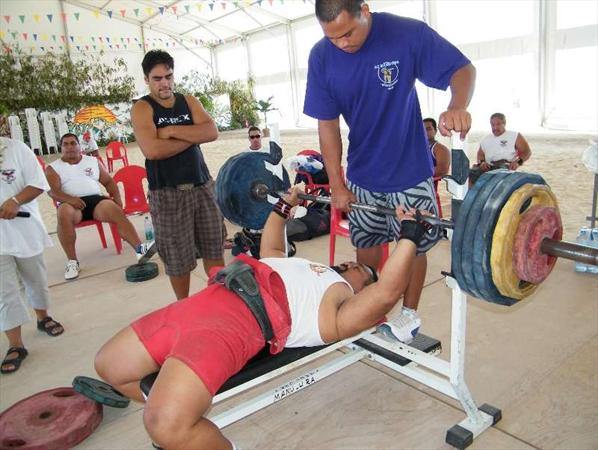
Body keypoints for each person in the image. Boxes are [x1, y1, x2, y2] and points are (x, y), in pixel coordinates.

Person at [94, 184, 433, 450]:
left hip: (231, 327)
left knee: (165, 424)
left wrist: (409, 235)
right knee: (110, 365)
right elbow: (272, 248)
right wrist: (287, 203)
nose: (349, 264)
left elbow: (388, 291)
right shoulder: (302, 267)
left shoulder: (339, 310)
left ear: (361, 292)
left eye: (361, 271)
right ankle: (187, 421)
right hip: (197, 305)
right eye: (350, 262)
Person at [303, 0, 476, 338]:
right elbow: (327, 125)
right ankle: (368, 304)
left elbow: (463, 69)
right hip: (363, 174)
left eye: (347, 33)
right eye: (332, 37)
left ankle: (409, 316)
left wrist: (457, 105)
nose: (342, 44)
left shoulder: (405, 34)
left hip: (409, 171)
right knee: (366, 244)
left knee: (412, 246)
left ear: (364, 10)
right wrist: (337, 184)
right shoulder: (321, 56)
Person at [130, 50, 224, 300]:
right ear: (147, 79)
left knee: (214, 248)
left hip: (202, 186)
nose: (164, 83)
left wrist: (171, 130)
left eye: (168, 76)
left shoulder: (188, 101)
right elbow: (153, 150)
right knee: (178, 260)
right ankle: (184, 307)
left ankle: (219, 301)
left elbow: (211, 132)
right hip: (168, 193)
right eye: (157, 78)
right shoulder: (142, 108)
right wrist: (192, 136)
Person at [45, 133, 154, 280]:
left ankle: (140, 249)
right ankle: (72, 261)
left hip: (96, 201)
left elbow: (109, 182)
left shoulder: (92, 161)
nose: (70, 147)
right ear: (61, 147)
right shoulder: (53, 168)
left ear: (79, 145)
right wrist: (71, 200)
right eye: (65, 144)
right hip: (71, 204)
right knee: (63, 212)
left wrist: (118, 199)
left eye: (73, 143)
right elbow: (53, 192)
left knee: (115, 209)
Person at [0, 136, 64, 374]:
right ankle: (16, 344)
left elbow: (38, 183)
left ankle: (42, 317)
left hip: (24, 229)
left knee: (34, 278)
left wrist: (15, 201)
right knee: (4, 291)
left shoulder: (15, 148)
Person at [469, 112, 532, 184]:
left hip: (504, 168)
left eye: (498, 124)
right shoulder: (486, 139)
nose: (495, 127)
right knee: (469, 174)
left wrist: (518, 162)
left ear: (504, 123)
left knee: (495, 177)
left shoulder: (515, 136)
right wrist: (482, 163)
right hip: (488, 168)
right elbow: (480, 154)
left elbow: (527, 151)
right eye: (493, 125)